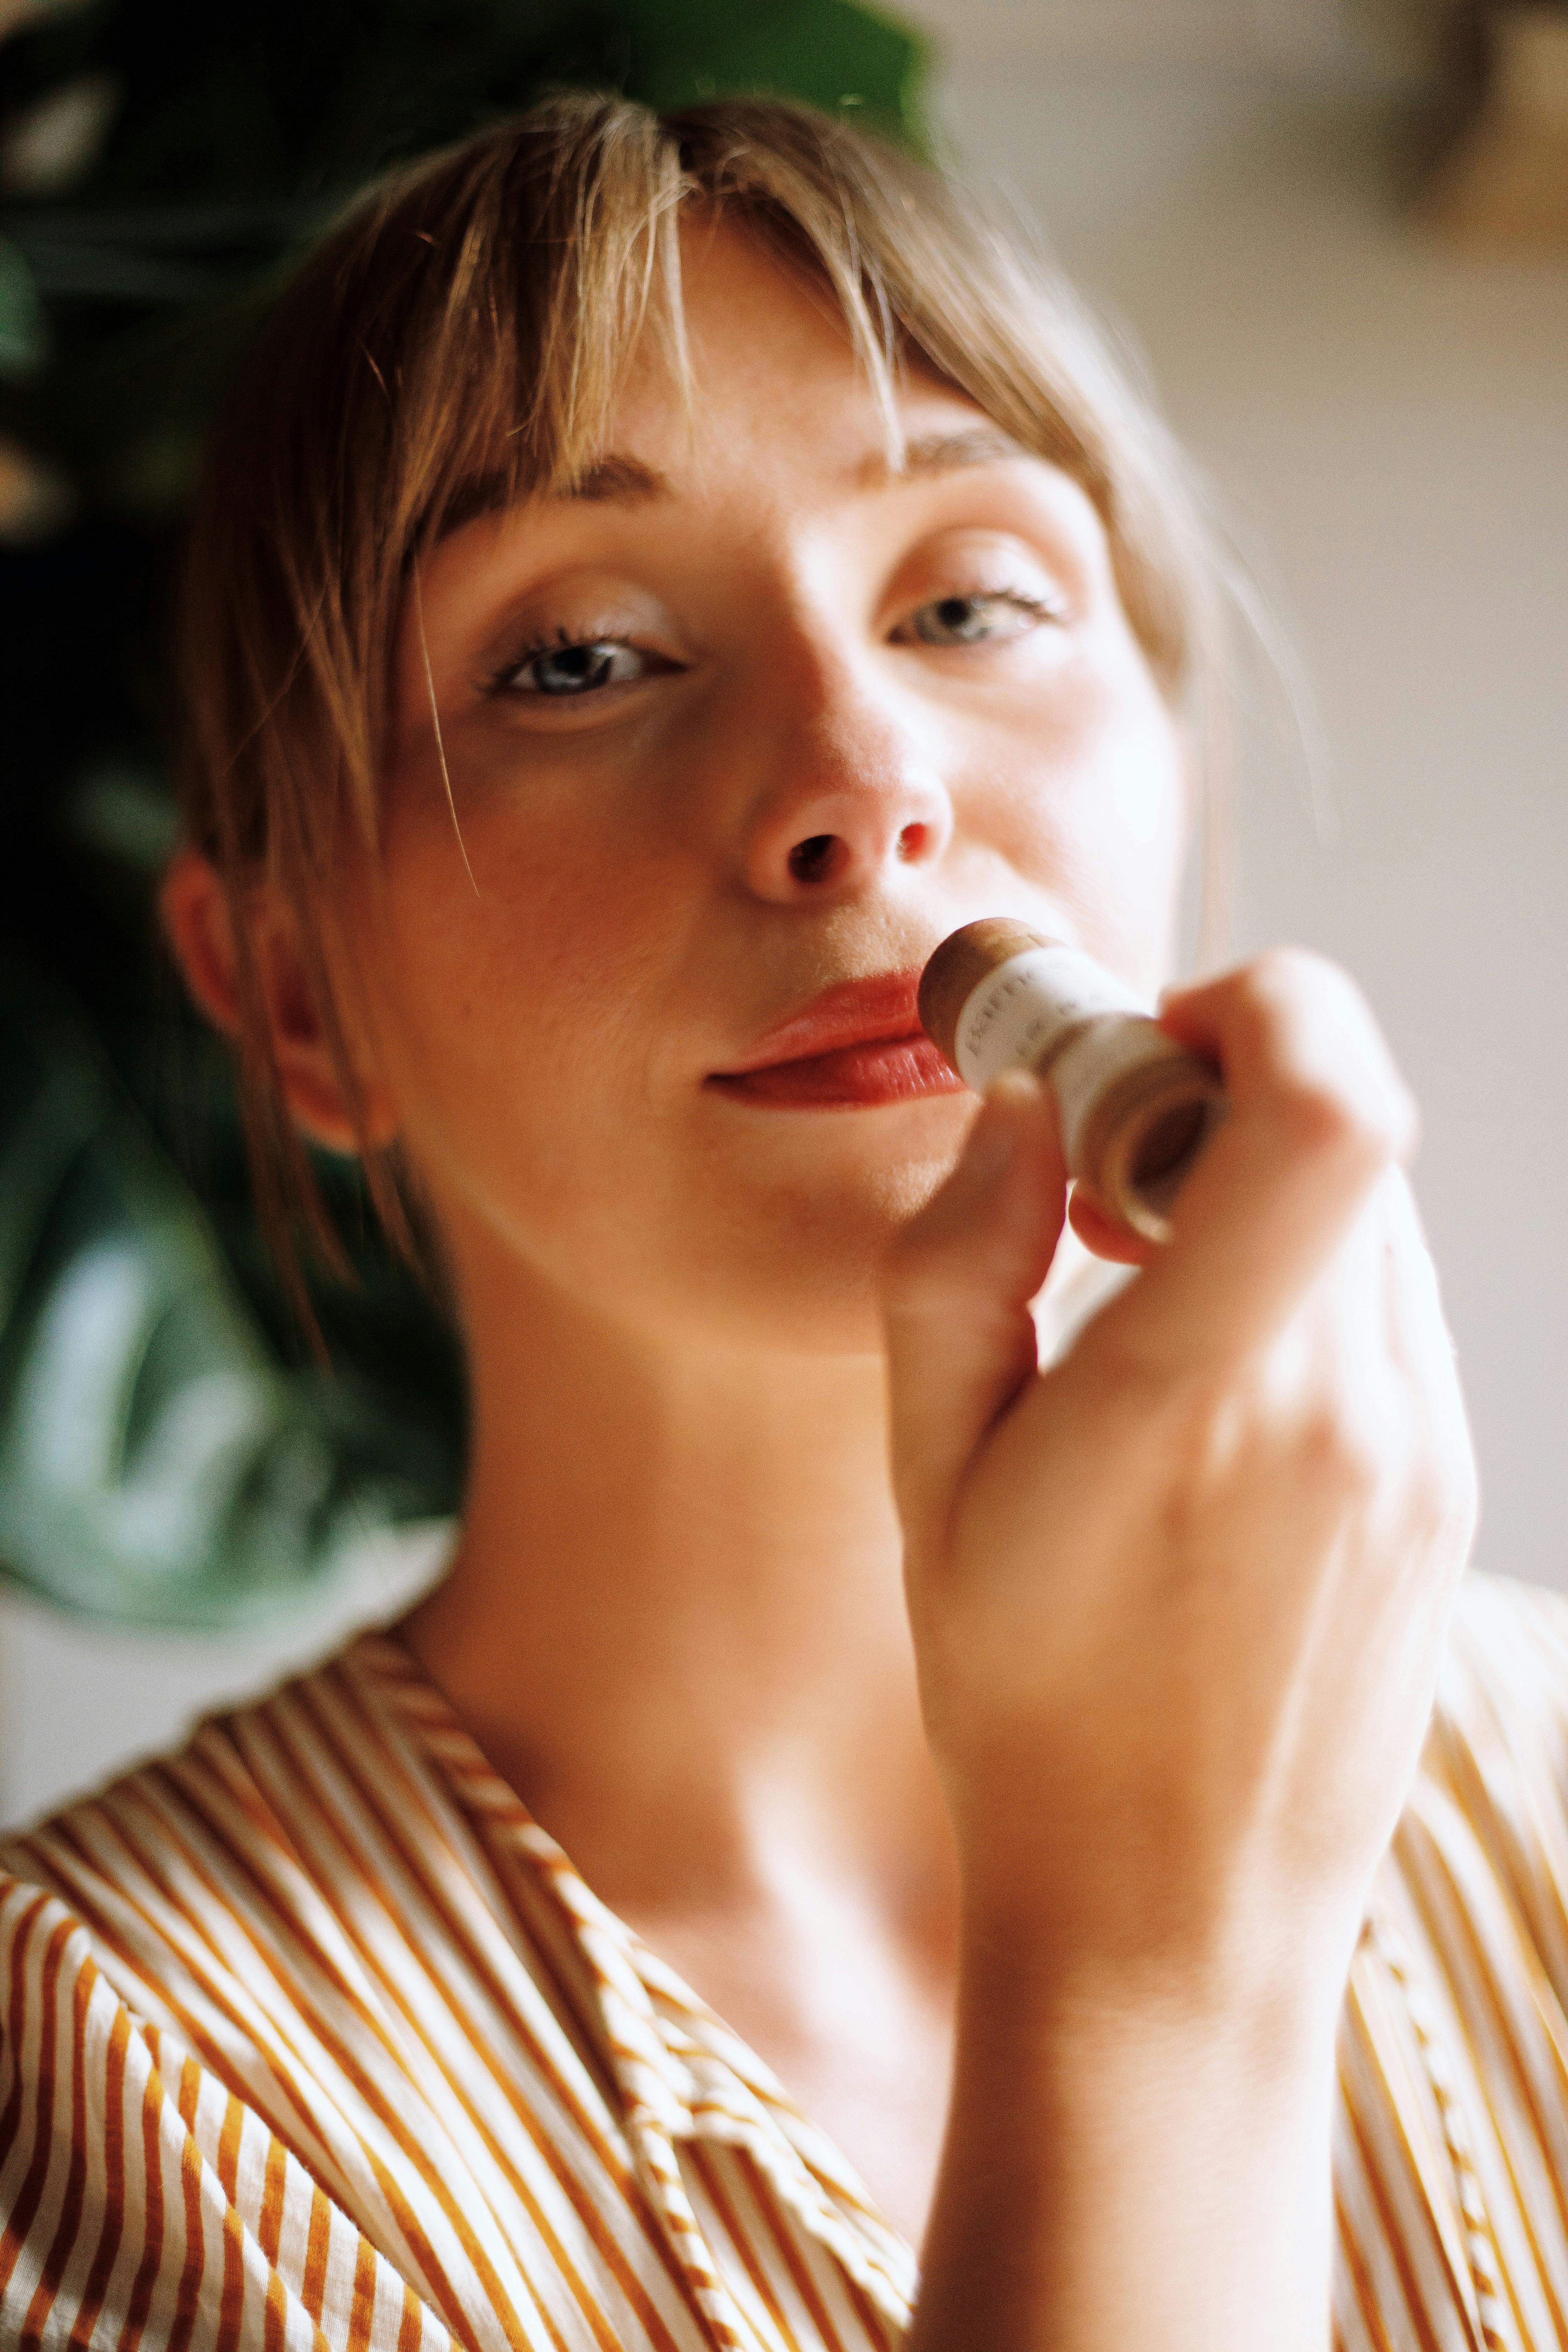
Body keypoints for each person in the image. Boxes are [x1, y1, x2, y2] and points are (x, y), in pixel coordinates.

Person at [1, 93, 1562, 2352]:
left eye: (970, 601)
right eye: (579, 657)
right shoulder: (117, 2100)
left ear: (1177, 782)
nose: (859, 784)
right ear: (293, 997)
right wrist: (1150, 1987)